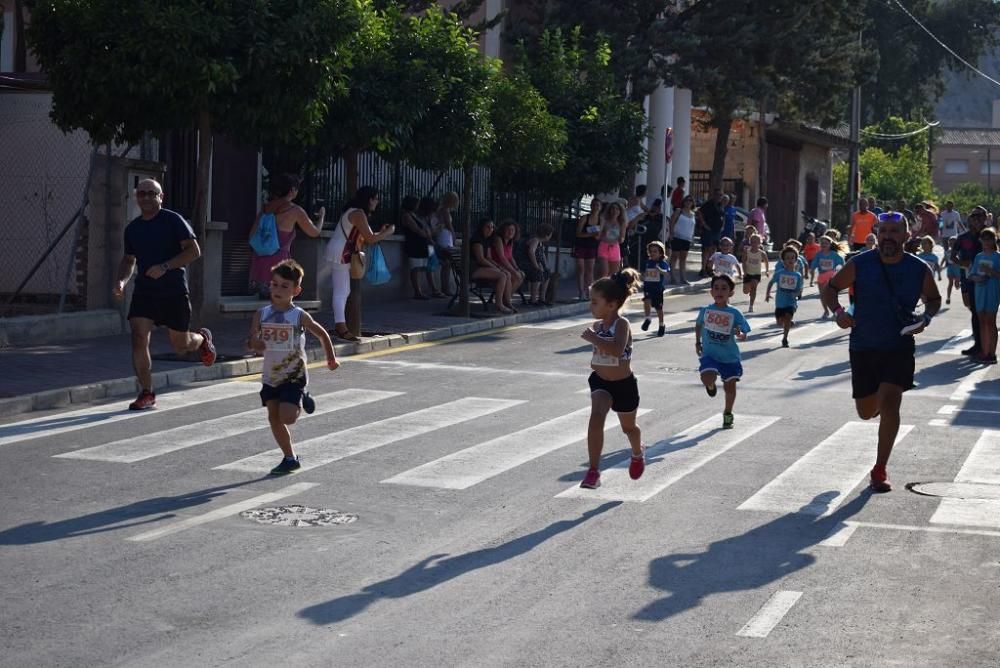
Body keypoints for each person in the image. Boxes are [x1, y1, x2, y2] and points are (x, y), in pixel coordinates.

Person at [822, 210, 941, 492]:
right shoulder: (860, 263)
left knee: (890, 404)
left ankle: (879, 469)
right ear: (877, 234)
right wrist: (838, 311)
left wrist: (925, 319)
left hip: (898, 345)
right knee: (865, 412)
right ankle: (876, 407)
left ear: (906, 235)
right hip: (863, 345)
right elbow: (831, 288)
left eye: (894, 231)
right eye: (884, 231)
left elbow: (934, 299)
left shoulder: (918, 268)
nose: (888, 236)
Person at [112, 178, 217, 411]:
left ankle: (202, 340)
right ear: (136, 197)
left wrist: (165, 267)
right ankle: (147, 392)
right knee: (138, 337)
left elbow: (194, 251)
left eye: (152, 193)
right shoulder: (133, 229)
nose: (147, 198)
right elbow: (129, 260)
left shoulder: (173, 220)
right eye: (142, 194)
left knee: (181, 344)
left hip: (173, 291)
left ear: (161, 197)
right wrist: (121, 281)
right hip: (145, 291)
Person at [246, 260, 339, 475]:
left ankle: (302, 395)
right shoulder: (261, 314)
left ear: (296, 290)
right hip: (271, 375)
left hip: (294, 374)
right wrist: (254, 344)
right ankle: (290, 458)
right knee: (273, 417)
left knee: (287, 416)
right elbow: (251, 339)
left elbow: (322, 333)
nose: (277, 290)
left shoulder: (299, 316)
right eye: (274, 284)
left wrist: (331, 359)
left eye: (284, 286)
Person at [578, 269, 646, 489]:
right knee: (596, 417)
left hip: (624, 386)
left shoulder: (622, 324)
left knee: (629, 429)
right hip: (601, 382)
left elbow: (617, 350)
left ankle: (637, 453)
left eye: (595, 302)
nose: (591, 306)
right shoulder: (597, 326)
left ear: (611, 304)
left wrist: (593, 338)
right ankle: (593, 471)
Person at [248, 173, 323, 298]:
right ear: (292, 190)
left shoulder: (266, 208)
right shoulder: (295, 210)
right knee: (281, 304)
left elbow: (252, 235)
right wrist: (321, 217)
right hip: (280, 264)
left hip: (259, 263)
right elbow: (314, 232)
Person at [695, 274, 751, 430]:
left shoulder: (735, 313)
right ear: (711, 292)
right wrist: (697, 342)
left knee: (730, 387)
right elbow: (698, 325)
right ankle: (711, 385)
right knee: (707, 377)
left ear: (731, 293)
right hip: (710, 354)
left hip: (729, 356)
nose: (719, 291)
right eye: (716, 288)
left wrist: (740, 334)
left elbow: (744, 333)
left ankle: (728, 413)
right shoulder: (705, 311)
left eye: (724, 288)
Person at [952, 208, 986, 355]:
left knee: (981, 312)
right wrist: (962, 264)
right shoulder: (962, 237)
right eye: (973, 217)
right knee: (972, 309)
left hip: (984, 279)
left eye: (978, 217)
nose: (975, 220)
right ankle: (978, 343)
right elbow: (953, 256)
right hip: (967, 277)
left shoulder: (985, 236)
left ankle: (982, 344)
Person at [470, 218, 513, 314]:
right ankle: (499, 304)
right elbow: (481, 259)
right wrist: (496, 268)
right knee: (502, 275)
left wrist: (499, 267)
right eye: (487, 227)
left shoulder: (487, 240)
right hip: (474, 268)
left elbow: (489, 258)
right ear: (482, 227)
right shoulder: (477, 240)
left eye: (492, 227)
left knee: (507, 273)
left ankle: (508, 302)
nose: (490, 229)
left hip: (483, 267)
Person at [400, 195, 439, 300]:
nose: (418, 205)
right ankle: (417, 292)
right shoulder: (407, 216)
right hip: (413, 243)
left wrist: (428, 235)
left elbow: (424, 227)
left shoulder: (415, 215)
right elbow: (415, 228)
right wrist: (426, 234)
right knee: (415, 268)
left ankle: (420, 291)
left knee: (421, 267)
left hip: (421, 244)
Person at [971, 227, 1000, 364]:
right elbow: (971, 274)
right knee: (982, 322)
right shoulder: (978, 256)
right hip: (979, 291)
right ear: (981, 240)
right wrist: (977, 278)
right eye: (984, 239)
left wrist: (991, 271)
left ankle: (992, 354)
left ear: (995, 239)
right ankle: (984, 351)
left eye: (990, 238)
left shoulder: (998, 257)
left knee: (991, 321)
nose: (987, 242)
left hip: (992, 291)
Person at [765, 247, 804, 348]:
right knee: (779, 322)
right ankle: (788, 323)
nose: (790, 260)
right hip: (780, 302)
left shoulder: (798, 275)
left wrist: (796, 294)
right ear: (783, 260)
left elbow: (800, 289)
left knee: (787, 316)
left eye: (792, 258)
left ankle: (785, 338)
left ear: (796, 260)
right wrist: (767, 294)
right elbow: (771, 282)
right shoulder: (780, 273)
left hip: (791, 302)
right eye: (788, 258)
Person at [490, 219, 525, 309]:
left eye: (513, 230)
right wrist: (513, 271)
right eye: (508, 229)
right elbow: (502, 257)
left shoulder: (510, 242)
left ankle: (506, 299)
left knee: (521, 275)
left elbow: (510, 257)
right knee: (512, 275)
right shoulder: (498, 239)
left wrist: (517, 269)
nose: (511, 232)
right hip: (496, 265)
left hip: (504, 265)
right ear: (503, 230)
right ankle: (505, 301)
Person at [810, 235, 846, 318]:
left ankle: (836, 311)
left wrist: (841, 270)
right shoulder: (818, 254)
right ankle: (826, 311)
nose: (823, 245)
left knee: (831, 295)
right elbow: (814, 263)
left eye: (826, 243)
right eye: (822, 243)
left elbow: (842, 262)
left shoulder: (834, 254)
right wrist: (812, 269)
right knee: (822, 295)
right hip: (821, 276)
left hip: (831, 276)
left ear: (830, 244)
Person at [573, 199, 602, 301]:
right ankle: (581, 292)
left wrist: (597, 236)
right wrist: (590, 234)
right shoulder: (585, 218)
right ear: (591, 206)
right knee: (580, 268)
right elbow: (578, 233)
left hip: (592, 246)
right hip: (581, 245)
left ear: (600, 207)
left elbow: (600, 236)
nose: (595, 207)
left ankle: (589, 291)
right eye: (594, 205)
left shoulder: (601, 220)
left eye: (597, 205)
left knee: (590, 269)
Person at [431, 192, 459, 296]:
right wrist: (454, 235)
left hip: (442, 236)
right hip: (445, 237)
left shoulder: (439, 209)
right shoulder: (445, 211)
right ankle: (445, 288)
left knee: (446, 263)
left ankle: (445, 287)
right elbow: (448, 224)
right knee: (447, 262)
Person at [640, 241, 670, 336]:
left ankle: (661, 325)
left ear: (661, 253)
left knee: (658, 308)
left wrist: (660, 270)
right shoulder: (648, 262)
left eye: (655, 251)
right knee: (646, 301)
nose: (652, 253)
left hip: (658, 288)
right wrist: (642, 277)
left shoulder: (662, 263)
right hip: (648, 287)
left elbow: (666, 273)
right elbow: (643, 273)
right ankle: (648, 318)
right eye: (651, 251)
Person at [520, 223, 554, 306]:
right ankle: (533, 299)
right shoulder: (535, 240)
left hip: (535, 265)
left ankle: (542, 298)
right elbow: (531, 252)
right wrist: (536, 265)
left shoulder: (540, 242)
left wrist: (545, 266)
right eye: (550, 235)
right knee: (537, 273)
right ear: (547, 234)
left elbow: (542, 256)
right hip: (528, 265)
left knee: (547, 273)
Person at [669, 195, 697, 285]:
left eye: (690, 200)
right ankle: (672, 277)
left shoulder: (693, 214)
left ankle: (683, 278)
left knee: (683, 258)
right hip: (677, 236)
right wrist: (671, 233)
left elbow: (692, 227)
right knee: (674, 257)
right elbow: (672, 221)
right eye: (687, 200)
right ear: (684, 202)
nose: (688, 202)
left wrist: (692, 237)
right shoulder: (679, 211)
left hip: (687, 238)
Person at [698, 188, 726, 277]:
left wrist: (723, 226)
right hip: (708, 231)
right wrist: (704, 224)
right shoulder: (708, 204)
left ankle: (709, 268)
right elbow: (699, 213)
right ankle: (703, 269)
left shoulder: (720, 205)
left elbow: (723, 216)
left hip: (717, 231)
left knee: (713, 250)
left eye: (721, 195)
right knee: (706, 249)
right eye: (717, 194)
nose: (719, 197)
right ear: (713, 195)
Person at [597, 202, 627, 279]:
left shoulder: (622, 223)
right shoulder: (604, 221)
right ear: (609, 210)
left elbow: (622, 238)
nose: (615, 210)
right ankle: (601, 289)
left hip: (615, 247)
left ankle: (610, 290)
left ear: (620, 211)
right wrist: (603, 232)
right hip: (604, 246)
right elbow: (598, 236)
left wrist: (621, 238)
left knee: (614, 274)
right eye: (612, 208)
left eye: (617, 209)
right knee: (604, 272)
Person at [741, 232, 769, 313]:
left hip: (756, 274)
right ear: (750, 242)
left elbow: (766, 262)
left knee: (754, 288)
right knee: (745, 291)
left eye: (756, 242)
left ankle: (751, 306)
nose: (754, 243)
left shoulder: (762, 253)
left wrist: (767, 271)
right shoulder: (747, 252)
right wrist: (744, 271)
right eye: (752, 241)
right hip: (748, 273)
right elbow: (743, 262)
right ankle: (749, 290)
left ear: (759, 243)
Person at [944, 236, 961, 305]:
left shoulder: (959, 251)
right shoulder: (947, 251)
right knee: (950, 283)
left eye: (954, 243)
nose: (952, 245)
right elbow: (945, 259)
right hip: (950, 268)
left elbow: (961, 259)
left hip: (957, 268)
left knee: (956, 285)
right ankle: (948, 298)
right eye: (950, 243)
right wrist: (942, 265)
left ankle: (958, 285)